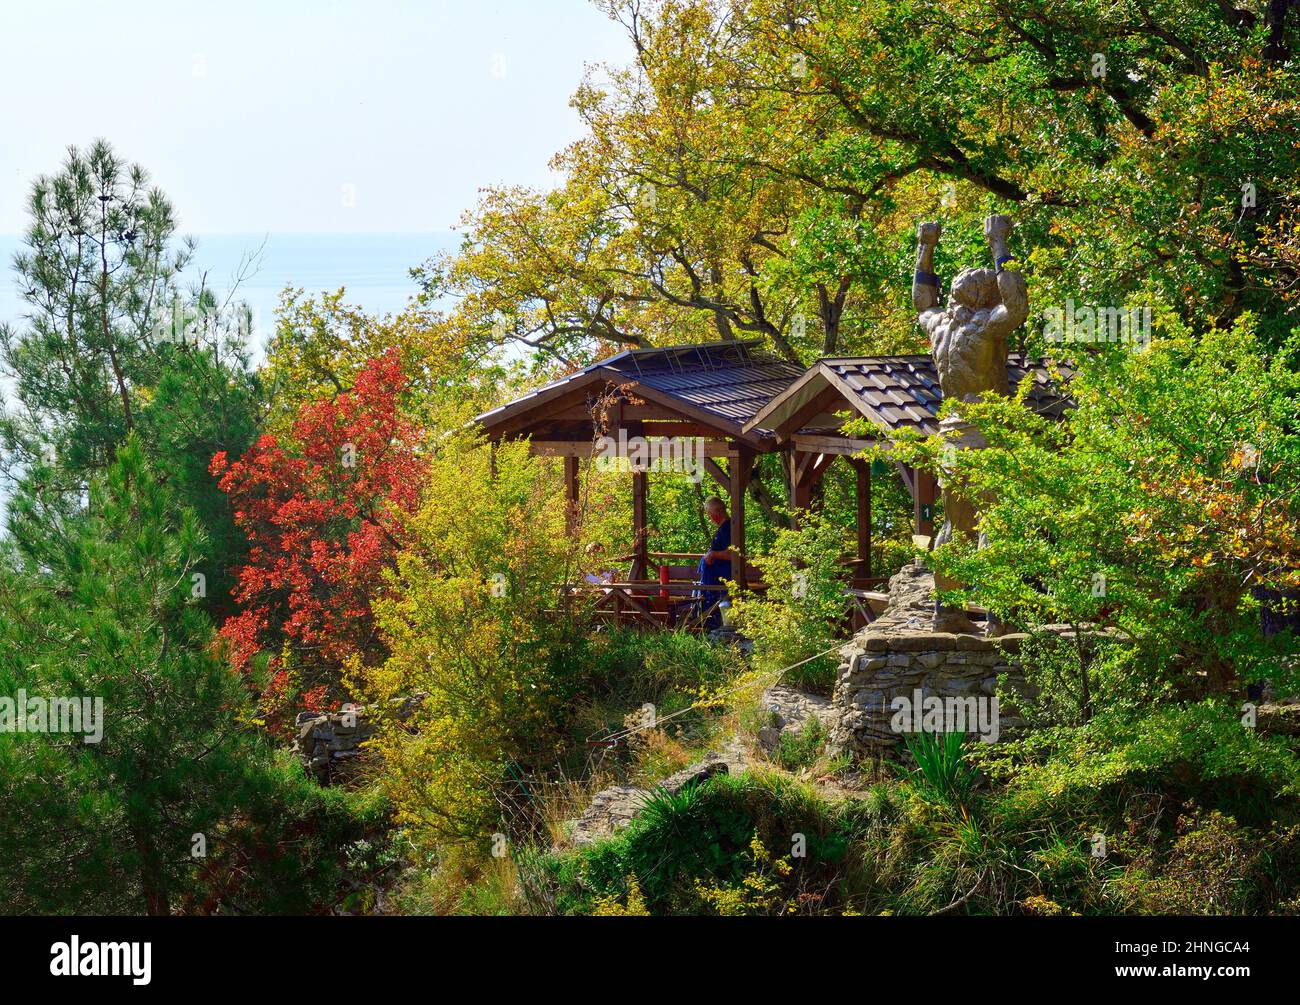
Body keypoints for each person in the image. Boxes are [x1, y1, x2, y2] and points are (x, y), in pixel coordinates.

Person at [696, 497, 733, 629]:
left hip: (721, 580)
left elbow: (733, 554)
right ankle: (709, 626)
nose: (710, 517)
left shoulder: (727, 528)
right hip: (713, 580)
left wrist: (713, 554)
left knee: (717, 604)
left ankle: (713, 628)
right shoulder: (724, 528)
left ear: (718, 512)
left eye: (710, 513)